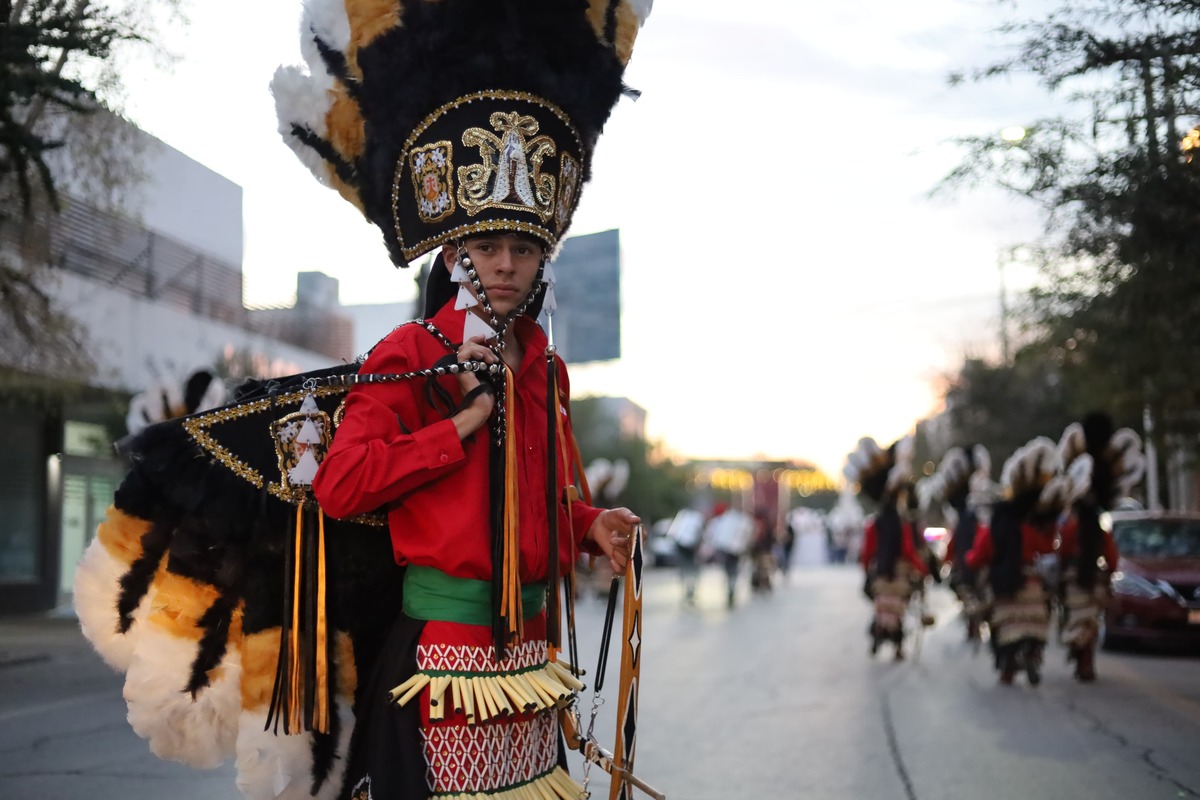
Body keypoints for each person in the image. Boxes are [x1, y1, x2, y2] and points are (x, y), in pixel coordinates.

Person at [73, 3, 654, 799]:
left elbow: (550, 501)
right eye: (489, 247)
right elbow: (343, 483)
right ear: (456, 251)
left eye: (524, 248)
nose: (508, 265)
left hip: (536, 657)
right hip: (445, 663)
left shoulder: (545, 371)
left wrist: (594, 527)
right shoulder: (409, 354)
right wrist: (458, 425)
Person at [966, 437, 1086, 686]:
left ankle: (1007, 666)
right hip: (1032, 584)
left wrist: (970, 564)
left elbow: (979, 555)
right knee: (1042, 614)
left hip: (1004, 587)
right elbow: (1048, 548)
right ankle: (1032, 653)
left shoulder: (994, 528)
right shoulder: (1033, 528)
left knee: (996, 619)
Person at [1056, 413, 1145, 682]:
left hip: (1078, 579)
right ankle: (1085, 660)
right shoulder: (1097, 527)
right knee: (1091, 621)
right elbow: (1111, 555)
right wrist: (1109, 573)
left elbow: (1063, 551)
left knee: (1080, 619)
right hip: (1093, 578)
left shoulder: (1072, 527)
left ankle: (1082, 658)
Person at [845, 436, 928, 661]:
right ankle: (898, 647)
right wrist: (922, 569)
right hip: (899, 576)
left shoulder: (875, 523)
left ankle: (879, 637)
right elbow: (909, 551)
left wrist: (867, 571)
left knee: (883, 610)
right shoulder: (901, 524)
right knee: (897, 612)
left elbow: (868, 552)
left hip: (881, 574)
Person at [706, 503, 752, 608]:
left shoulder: (723, 519)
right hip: (736, 550)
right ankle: (731, 588)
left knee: (728, 570)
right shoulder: (743, 520)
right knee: (733, 570)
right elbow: (747, 535)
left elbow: (713, 534)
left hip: (725, 549)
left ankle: (730, 588)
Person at [667, 507, 706, 605]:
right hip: (690, 550)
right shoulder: (697, 518)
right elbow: (700, 535)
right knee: (692, 571)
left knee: (684, 571)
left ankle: (687, 591)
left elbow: (672, 533)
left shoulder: (683, 517)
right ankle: (690, 590)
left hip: (682, 548)